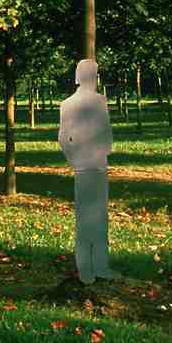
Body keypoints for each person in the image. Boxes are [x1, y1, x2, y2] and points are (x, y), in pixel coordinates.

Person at [58, 59, 117, 284]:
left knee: (94, 217)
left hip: (93, 165)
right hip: (88, 166)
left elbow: (105, 131)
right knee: (91, 218)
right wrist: (77, 159)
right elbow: (65, 137)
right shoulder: (75, 104)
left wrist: (76, 157)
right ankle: (90, 269)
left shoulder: (86, 102)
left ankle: (95, 268)